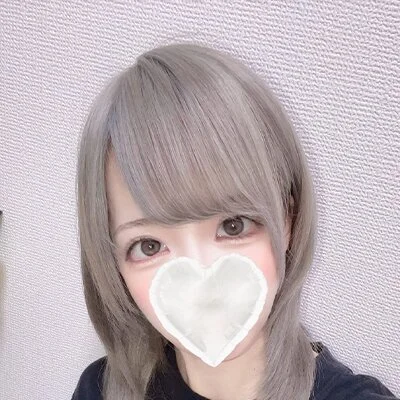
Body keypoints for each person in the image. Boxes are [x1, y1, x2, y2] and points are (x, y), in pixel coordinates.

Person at [72, 42, 398, 400]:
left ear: (287, 220)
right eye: (149, 246)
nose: (202, 280)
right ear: (114, 268)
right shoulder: (100, 389)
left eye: (233, 225)